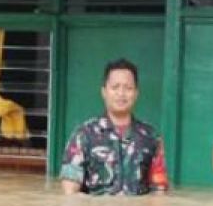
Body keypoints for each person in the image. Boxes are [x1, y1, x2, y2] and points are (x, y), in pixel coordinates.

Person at [60, 58, 169, 195]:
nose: (121, 94)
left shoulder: (151, 137)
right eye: (115, 87)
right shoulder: (84, 135)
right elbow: (70, 193)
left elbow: (159, 194)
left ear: (136, 93)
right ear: (104, 92)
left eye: (128, 88)